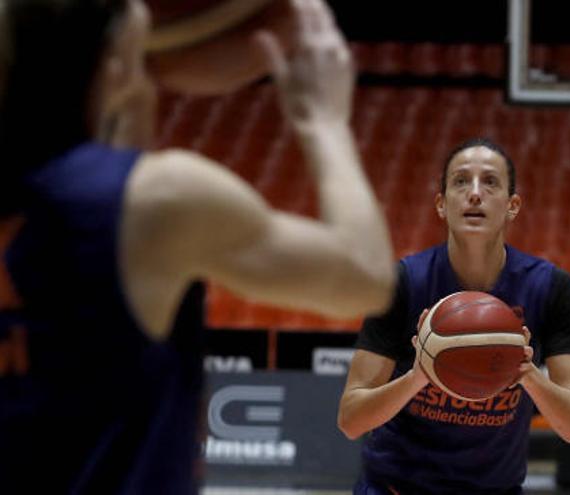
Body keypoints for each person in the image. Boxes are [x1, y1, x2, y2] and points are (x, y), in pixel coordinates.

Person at [0, 0, 394, 493]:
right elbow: (365, 276)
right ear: (118, 65)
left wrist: (134, 79)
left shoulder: (113, 206)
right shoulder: (159, 203)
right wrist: (323, 121)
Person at [337, 138, 570, 495]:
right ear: (441, 205)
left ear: (512, 205)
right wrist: (418, 376)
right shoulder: (404, 282)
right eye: (460, 181)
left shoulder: (550, 287)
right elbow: (351, 420)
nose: (474, 193)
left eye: (490, 182)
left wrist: (528, 374)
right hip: (396, 486)